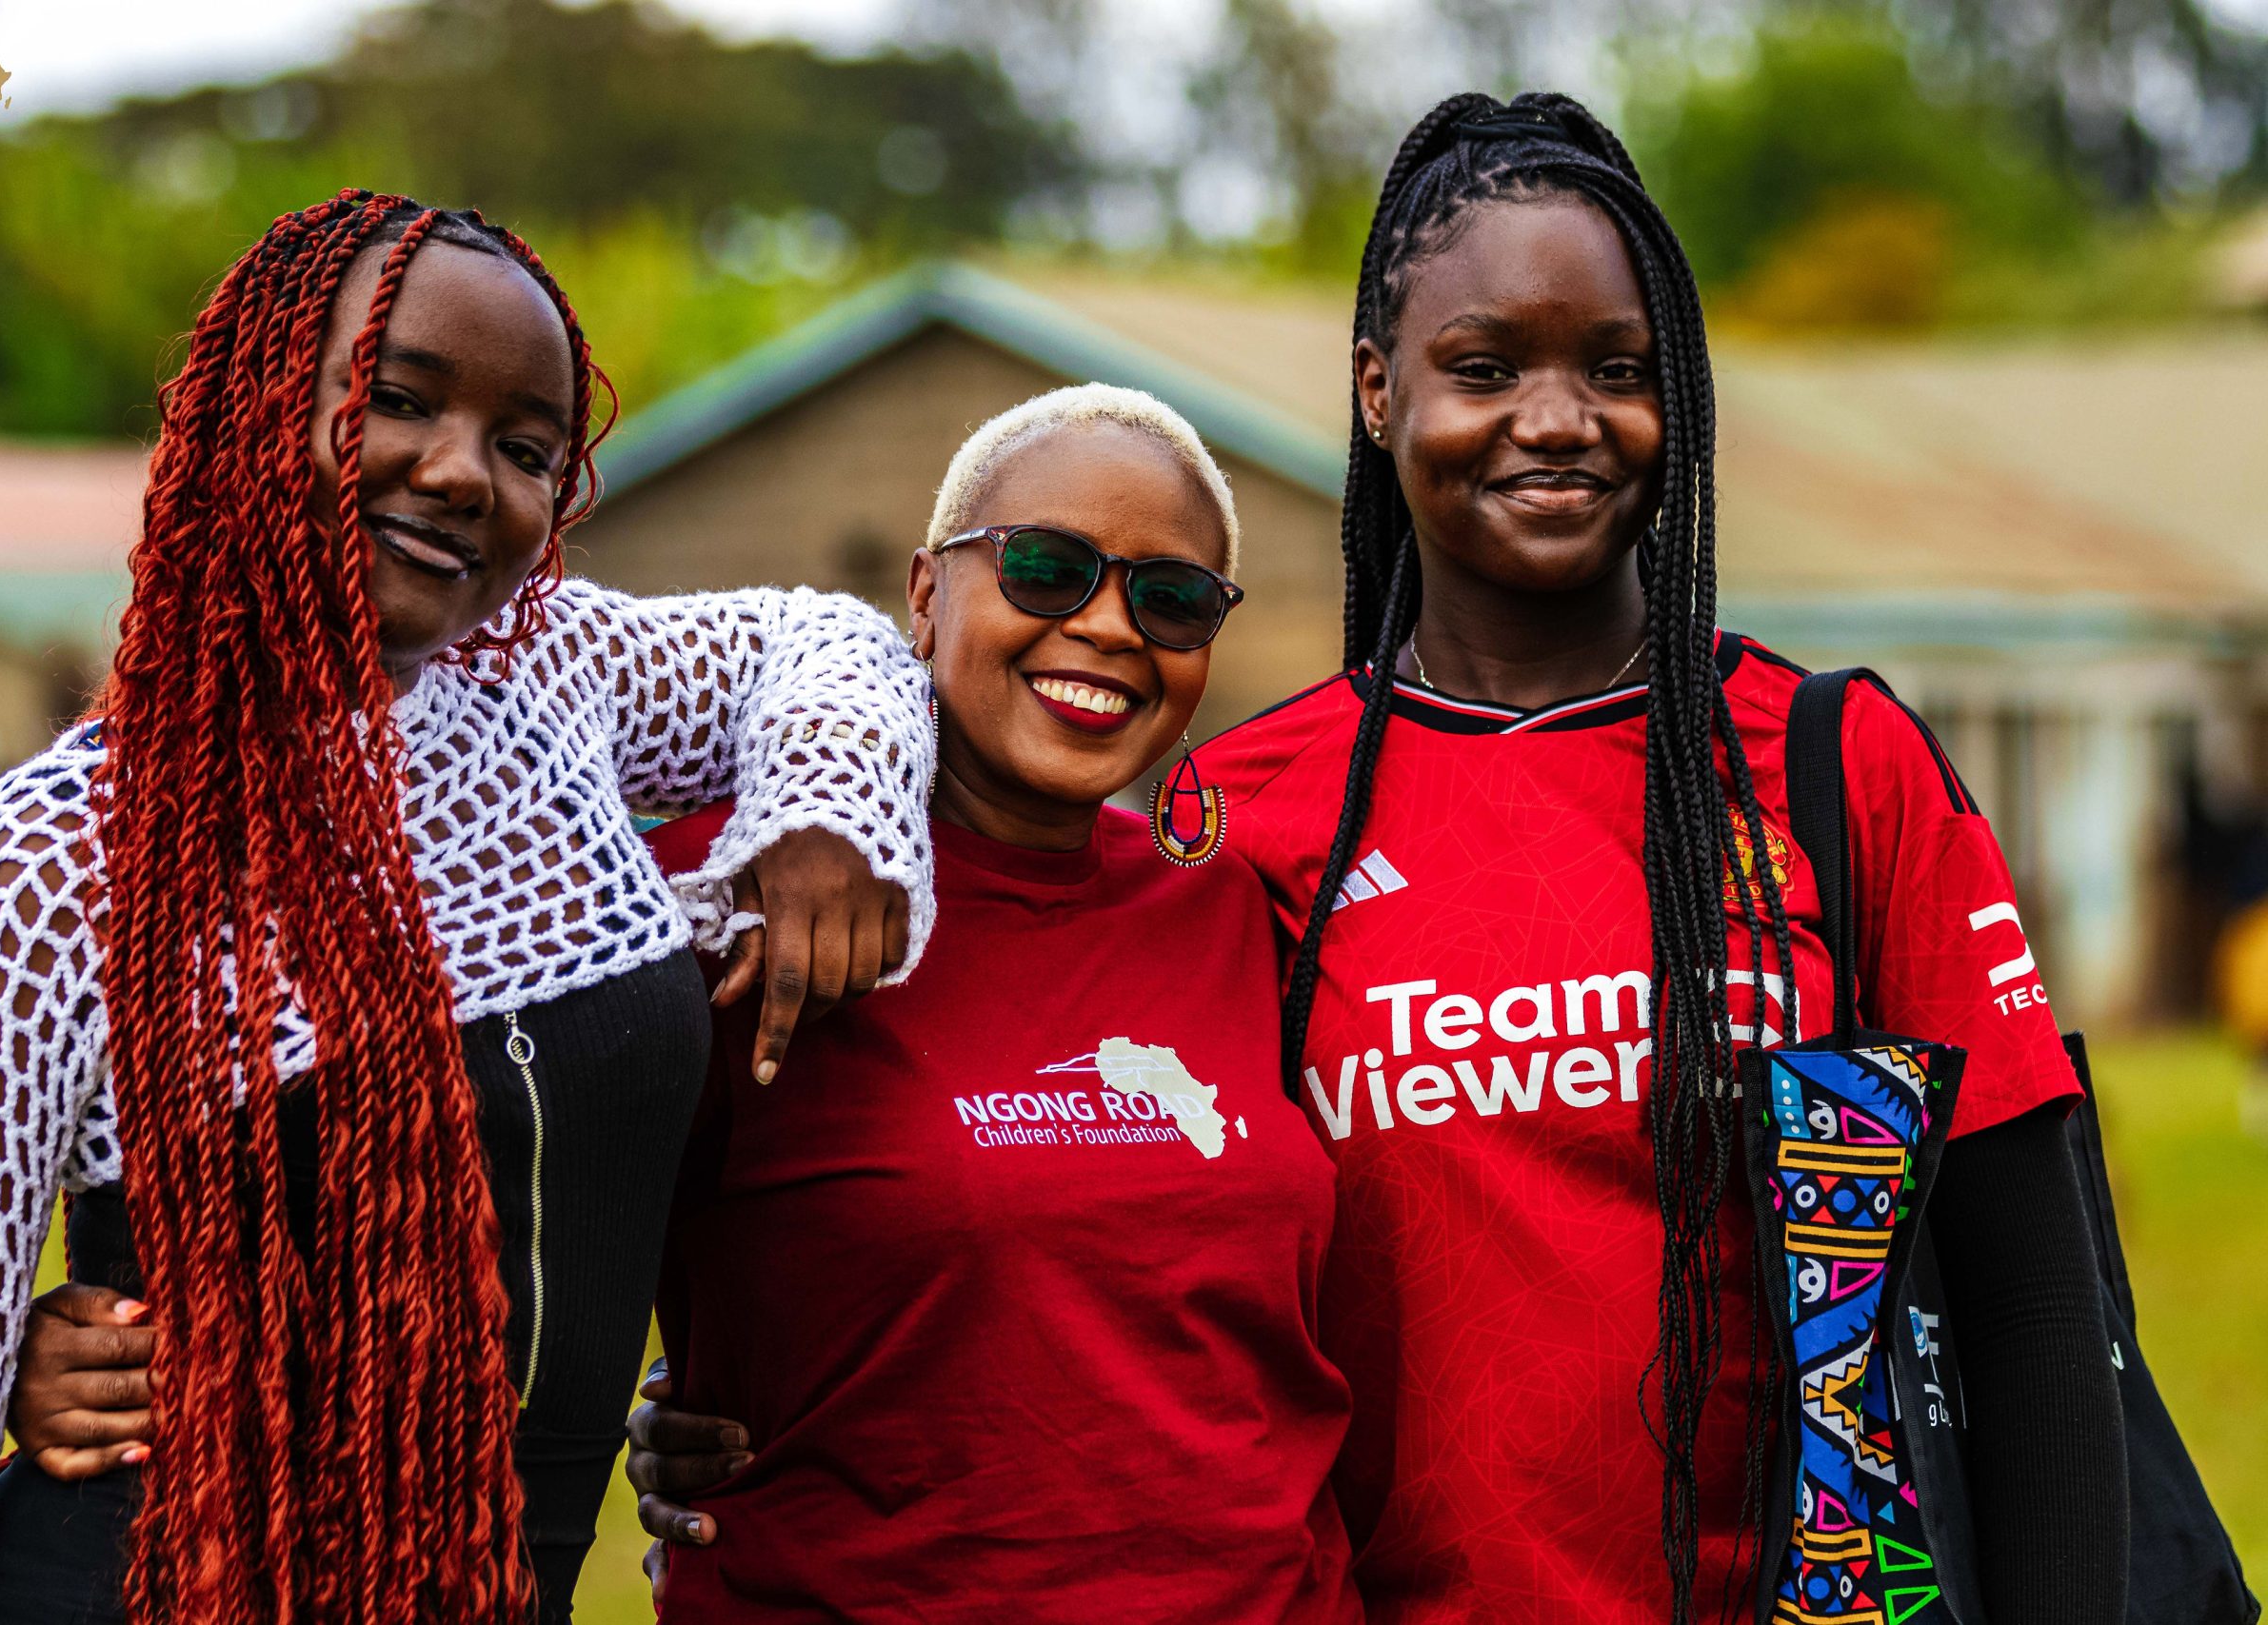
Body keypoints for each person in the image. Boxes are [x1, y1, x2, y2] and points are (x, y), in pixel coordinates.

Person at [625, 97, 2132, 1625]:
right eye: (1484, 369)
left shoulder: (1828, 767)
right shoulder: (1240, 821)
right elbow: (1094, 1218)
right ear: (1375, 389)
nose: (1557, 420)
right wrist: (762, 1370)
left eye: (1618, 369)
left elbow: (2031, 1297)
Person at [15, 384, 1367, 1624]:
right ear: (924, 592)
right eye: (1046, 568)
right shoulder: (710, 903)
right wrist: (114, 1336)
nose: (1111, 626)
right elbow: (409, 1159)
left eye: (1177, 599)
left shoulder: (1242, 912)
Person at [0, 189, 934, 1625]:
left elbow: (822, 637)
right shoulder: (51, 863)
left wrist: (826, 812)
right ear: (256, 405)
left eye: (529, 449)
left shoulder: (563, 688)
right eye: (397, 399)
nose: (464, 474)